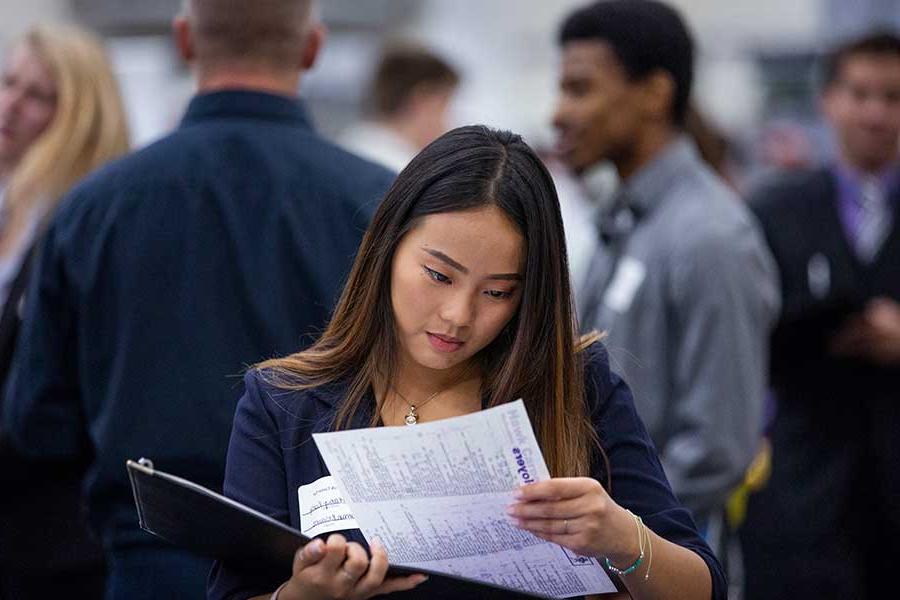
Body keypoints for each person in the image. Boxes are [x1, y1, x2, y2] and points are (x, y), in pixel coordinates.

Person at [208, 125, 727, 600]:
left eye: (498, 292)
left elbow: (703, 588)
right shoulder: (285, 401)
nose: (458, 316)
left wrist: (622, 537)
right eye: (438, 275)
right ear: (386, 247)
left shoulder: (574, 386)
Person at [1, 1, 394, 598]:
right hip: (333, 564)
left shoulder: (93, 207)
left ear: (185, 40)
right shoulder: (381, 205)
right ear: (312, 48)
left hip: (147, 558)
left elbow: (38, 422)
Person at [554, 0, 780, 550]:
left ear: (655, 94)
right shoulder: (627, 218)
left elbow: (719, 446)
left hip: (660, 552)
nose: (559, 112)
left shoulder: (710, 237)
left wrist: (619, 528)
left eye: (580, 89)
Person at [741, 31, 900, 600]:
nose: (876, 113)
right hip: (801, 484)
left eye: (892, 96)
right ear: (829, 101)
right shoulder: (774, 210)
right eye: (860, 94)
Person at [0, 24, 129, 599]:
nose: (11, 106)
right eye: (8, 83)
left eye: (39, 95)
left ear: (81, 113)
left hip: (55, 537)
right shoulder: (14, 209)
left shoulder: (86, 226)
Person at [338, 44, 459, 172]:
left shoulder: (350, 145)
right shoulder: (401, 170)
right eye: (445, 103)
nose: (449, 121)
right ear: (423, 101)